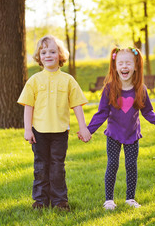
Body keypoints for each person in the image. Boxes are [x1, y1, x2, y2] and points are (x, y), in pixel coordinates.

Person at [17, 35, 91, 211]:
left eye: (52, 51)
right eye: (43, 52)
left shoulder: (68, 80)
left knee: (58, 167)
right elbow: (28, 107)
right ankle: (40, 201)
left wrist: (83, 128)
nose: (48, 55)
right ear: (39, 57)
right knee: (41, 166)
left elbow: (77, 106)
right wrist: (28, 130)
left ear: (60, 55)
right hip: (39, 132)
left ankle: (60, 202)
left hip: (60, 132)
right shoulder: (34, 81)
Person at [84, 47, 155, 210]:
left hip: (132, 134)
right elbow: (101, 113)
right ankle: (109, 200)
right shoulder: (109, 89)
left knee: (131, 165)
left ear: (136, 66)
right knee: (113, 164)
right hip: (114, 134)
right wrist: (88, 130)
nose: (124, 66)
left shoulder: (141, 89)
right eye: (121, 63)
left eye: (128, 63)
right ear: (115, 66)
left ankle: (130, 199)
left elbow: (148, 111)